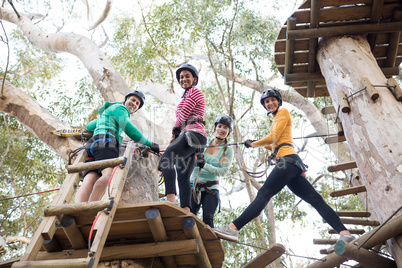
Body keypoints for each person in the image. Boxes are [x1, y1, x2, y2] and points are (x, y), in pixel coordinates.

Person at [213, 88, 355, 250]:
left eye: (273, 100)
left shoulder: (283, 112)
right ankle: (345, 233)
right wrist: (256, 144)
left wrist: (253, 144)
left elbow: (273, 138)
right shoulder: (276, 120)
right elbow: (275, 144)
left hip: (288, 161)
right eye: (267, 102)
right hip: (290, 162)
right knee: (315, 200)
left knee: (263, 194)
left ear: (278, 102)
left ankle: (232, 228)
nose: (270, 103)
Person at [75, 90, 159, 203]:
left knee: (90, 178)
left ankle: (79, 207)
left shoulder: (109, 111)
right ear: (126, 99)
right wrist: (149, 144)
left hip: (92, 144)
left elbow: (89, 126)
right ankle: (91, 208)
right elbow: (129, 128)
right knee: (108, 174)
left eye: (137, 104)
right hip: (106, 141)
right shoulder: (120, 109)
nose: (134, 104)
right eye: (133, 100)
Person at [159, 64, 207, 213]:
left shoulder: (193, 91)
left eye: (187, 76)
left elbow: (184, 114)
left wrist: (175, 129)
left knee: (166, 159)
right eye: (181, 77)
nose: (184, 79)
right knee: (183, 175)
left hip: (192, 133)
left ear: (194, 79)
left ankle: (170, 199)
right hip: (195, 137)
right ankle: (186, 209)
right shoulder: (188, 94)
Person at [190, 115, 234, 228]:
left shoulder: (228, 150)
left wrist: (205, 165)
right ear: (215, 128)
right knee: (187, 217)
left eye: (225, 128)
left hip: (211, 189)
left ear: (229, 132)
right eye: (219, 126)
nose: (221, 129)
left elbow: (223, 171)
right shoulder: (203, 142)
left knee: (208, 220)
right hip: (193, 186)